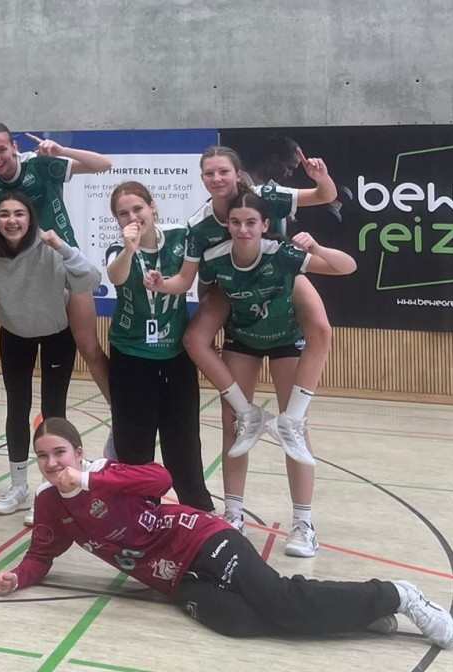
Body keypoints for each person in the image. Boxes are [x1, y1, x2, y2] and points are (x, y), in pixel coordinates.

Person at [0, 418, 453, 650]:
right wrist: (19, 576)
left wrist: (90, 478)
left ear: (78, 452)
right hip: (177, 580)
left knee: (278, 601)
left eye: (60, 453)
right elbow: (42, 554)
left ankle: (397, 595)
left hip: (202, 538)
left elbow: (160, 479)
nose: (52, 464)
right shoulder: (48, 504)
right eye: (43, 456)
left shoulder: (104, 473)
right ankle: (353, 614)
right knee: (241, 623)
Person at [147, 147, 340, 543]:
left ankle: (303, 520)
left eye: (223, 172)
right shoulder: (199, 226)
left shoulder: (266, 197)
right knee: (214, 381)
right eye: (209, 173)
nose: (217, 179)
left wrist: (320, 176)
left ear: (237, 174)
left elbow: (324, 196)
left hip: (277, 277)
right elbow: (194, 283)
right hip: (230, 288)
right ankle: (233, 511)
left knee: (320, 328)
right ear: (202, 178)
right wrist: (171, 289)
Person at [191, 192, 355, 556]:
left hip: (286, 340)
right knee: (235, 424)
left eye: (251, 223)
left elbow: (347, 267)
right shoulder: (216, 259)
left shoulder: (282, 255)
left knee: (295, 429)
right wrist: (210, 329)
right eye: (236, 223)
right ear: (227, 225)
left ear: (265, 225)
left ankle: (303, 524)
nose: (243, 229)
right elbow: (208, 293)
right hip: (242, 339)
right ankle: (234, 515)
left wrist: (317, 247)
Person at [0, 124, 113, 436]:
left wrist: (61, 150)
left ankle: (121, 415)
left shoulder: (40, 165)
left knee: (89, 348)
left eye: (1, 150)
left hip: (59, 263)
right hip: (13, 268)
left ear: (14, 147)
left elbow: (103, 164)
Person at [0, 193, 99, 523]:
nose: (12, 220)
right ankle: (18, 486)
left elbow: (91, 278)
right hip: (14, 334)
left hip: (56, 335)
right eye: (4, 214)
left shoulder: (50, 248)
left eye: (19, 214)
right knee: (17, 408)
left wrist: (63, 247)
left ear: (30, 218)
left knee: (53, 412)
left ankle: (53, 490)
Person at [104, 182, 213, 512]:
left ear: (152, 207)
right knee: (134, 442)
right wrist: (129, 249)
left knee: (183, 438)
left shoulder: (180, 237)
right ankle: (138, 510)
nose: (132, 217)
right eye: (123, 214)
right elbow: (116, 277)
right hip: (131, 355)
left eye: (138, 209)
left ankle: (198, 510)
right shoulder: (118, 249)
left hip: (175, 354)